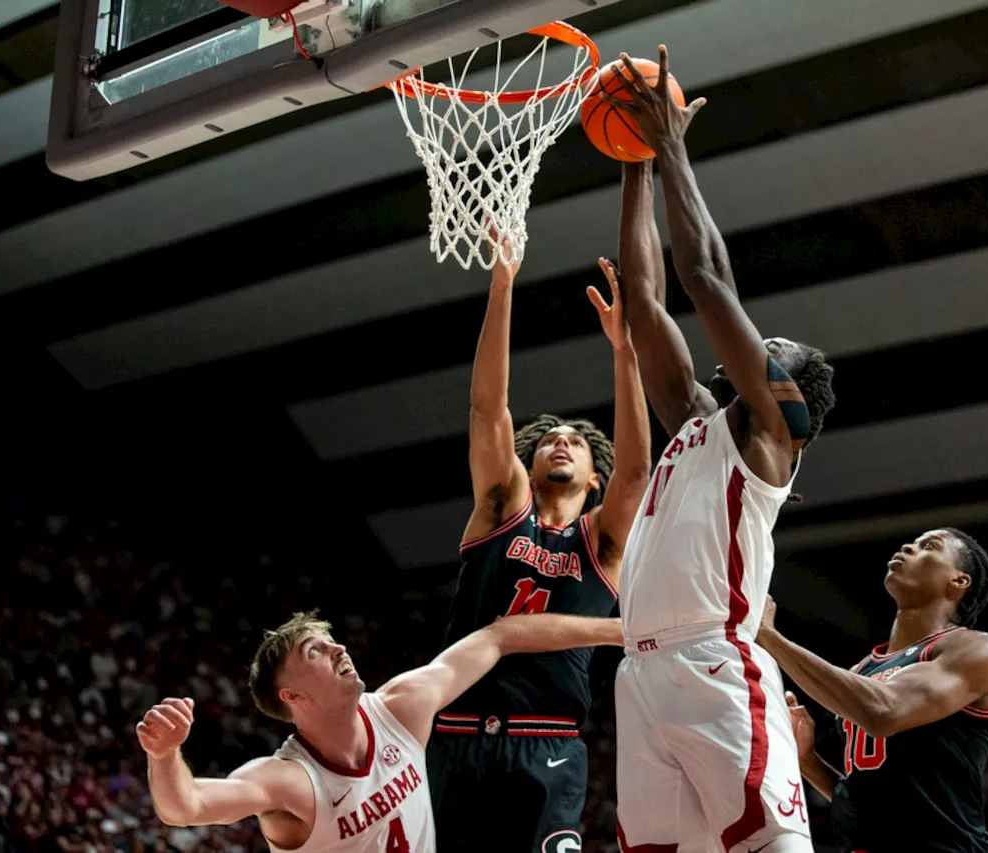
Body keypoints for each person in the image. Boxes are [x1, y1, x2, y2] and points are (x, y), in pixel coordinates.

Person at [599, 46, 836, 853]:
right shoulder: (697, 419)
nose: (759, 341)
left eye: (776, 348)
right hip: (641, 673)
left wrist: (670, 145)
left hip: (714, 660)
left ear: (790, 389)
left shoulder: (774, 430)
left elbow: (703, 275)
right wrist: (631, 159)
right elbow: (643, 299)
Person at [425, 236, 651, 853]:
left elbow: (637, 473)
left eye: (574, 442)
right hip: (456, 733)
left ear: (592, 475)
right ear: (527, 461)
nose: (560, 441)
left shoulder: (603, 540)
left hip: (548, 739)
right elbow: (485, 409)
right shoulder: (502, 506)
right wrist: (502, 284)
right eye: (548, 438)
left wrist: (625, 351)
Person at [136, 609, 623, 853]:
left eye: (331, 641)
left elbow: (502, 635)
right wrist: (163, 756)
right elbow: (186, 807)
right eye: (315, 652)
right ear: (291, 696)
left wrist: (618, 630)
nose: (338, 649)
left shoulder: (403, 708)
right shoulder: (291, 781)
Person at [756, 528, 988, 853]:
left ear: (959, 581)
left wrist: (770, 638)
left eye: (928, 546)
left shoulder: (975, 649)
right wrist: (807, 760)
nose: (906, 546)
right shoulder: (861, 671)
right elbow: (866, 800)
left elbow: (884, 712)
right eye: (911, 543)